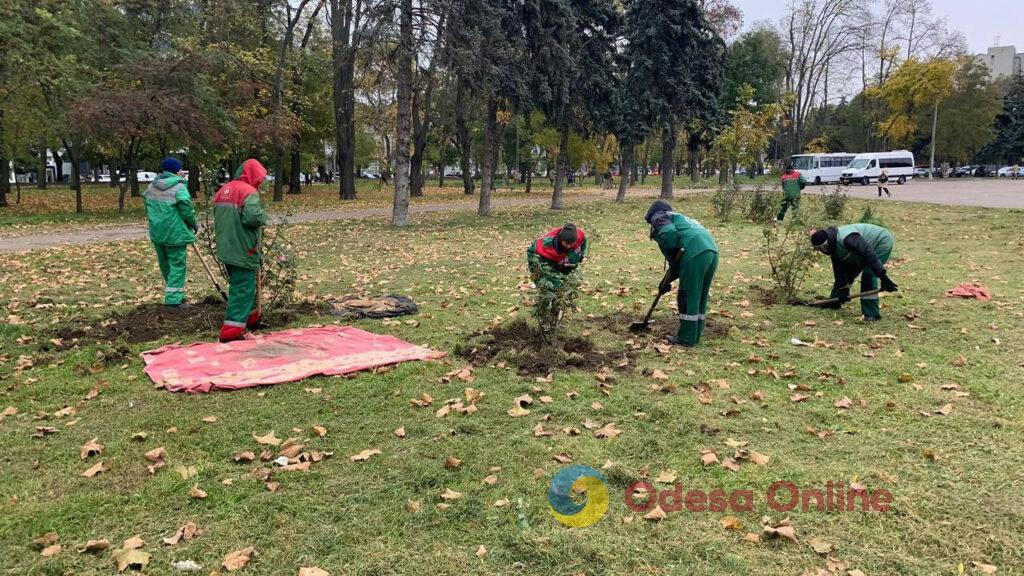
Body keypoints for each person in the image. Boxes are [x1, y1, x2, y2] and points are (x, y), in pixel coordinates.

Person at [645, 201, 719, 347]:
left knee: (687, 295)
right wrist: (666, 281)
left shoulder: (658, 217)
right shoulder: (681, 220)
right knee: (700, 294)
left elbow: (670, 236)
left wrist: (669, 245)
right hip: (711, 250)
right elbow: (676, 263)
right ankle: (695, 333)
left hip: (694, 252)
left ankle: (687, 338)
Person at [213, 159, 268, 342]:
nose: (261, 181)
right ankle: (232, 332)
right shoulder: (248, 192)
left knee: (243, 284)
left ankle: (250, 319)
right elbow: (252, 217)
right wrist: (262, 215)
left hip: (226, 247)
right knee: (242, 288)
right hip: (242, 247)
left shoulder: (224, 190)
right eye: (260, 177)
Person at [809, 224, 898, 322]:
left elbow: (870, 255)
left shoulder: (848, 239)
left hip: (880, 242)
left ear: (828, 242)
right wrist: (843, 289)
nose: (822, 251)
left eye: (822, 247)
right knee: (846, 273)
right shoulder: (834, 248)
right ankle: (834, 302)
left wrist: (884, 278)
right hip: (859, 250)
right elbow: (840, 272)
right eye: (818, 249)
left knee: (869, 275)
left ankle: (871, 314)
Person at [143, 156, 197, 307]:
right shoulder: (179, 188)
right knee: (178, 265)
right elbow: (187, 210)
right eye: (180, 169)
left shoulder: (151, 187)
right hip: (175, 234)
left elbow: (147, 206)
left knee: (165, 264)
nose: (181, 172)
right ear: (176, 170)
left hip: (157, 232)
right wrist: (194, 224)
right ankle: (173, 300)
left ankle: (174, 294)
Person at [527, 223, 588, 291]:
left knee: (566, 270)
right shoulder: (548, 248)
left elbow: (583, 244)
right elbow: (550, 270)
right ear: (561, 239)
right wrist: (558, 287)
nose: (569, 246)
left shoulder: (579, 236)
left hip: (556, 254)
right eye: (566, 243)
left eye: (571, 244)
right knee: (546, 280)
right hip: (536, 252)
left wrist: (581, 256)